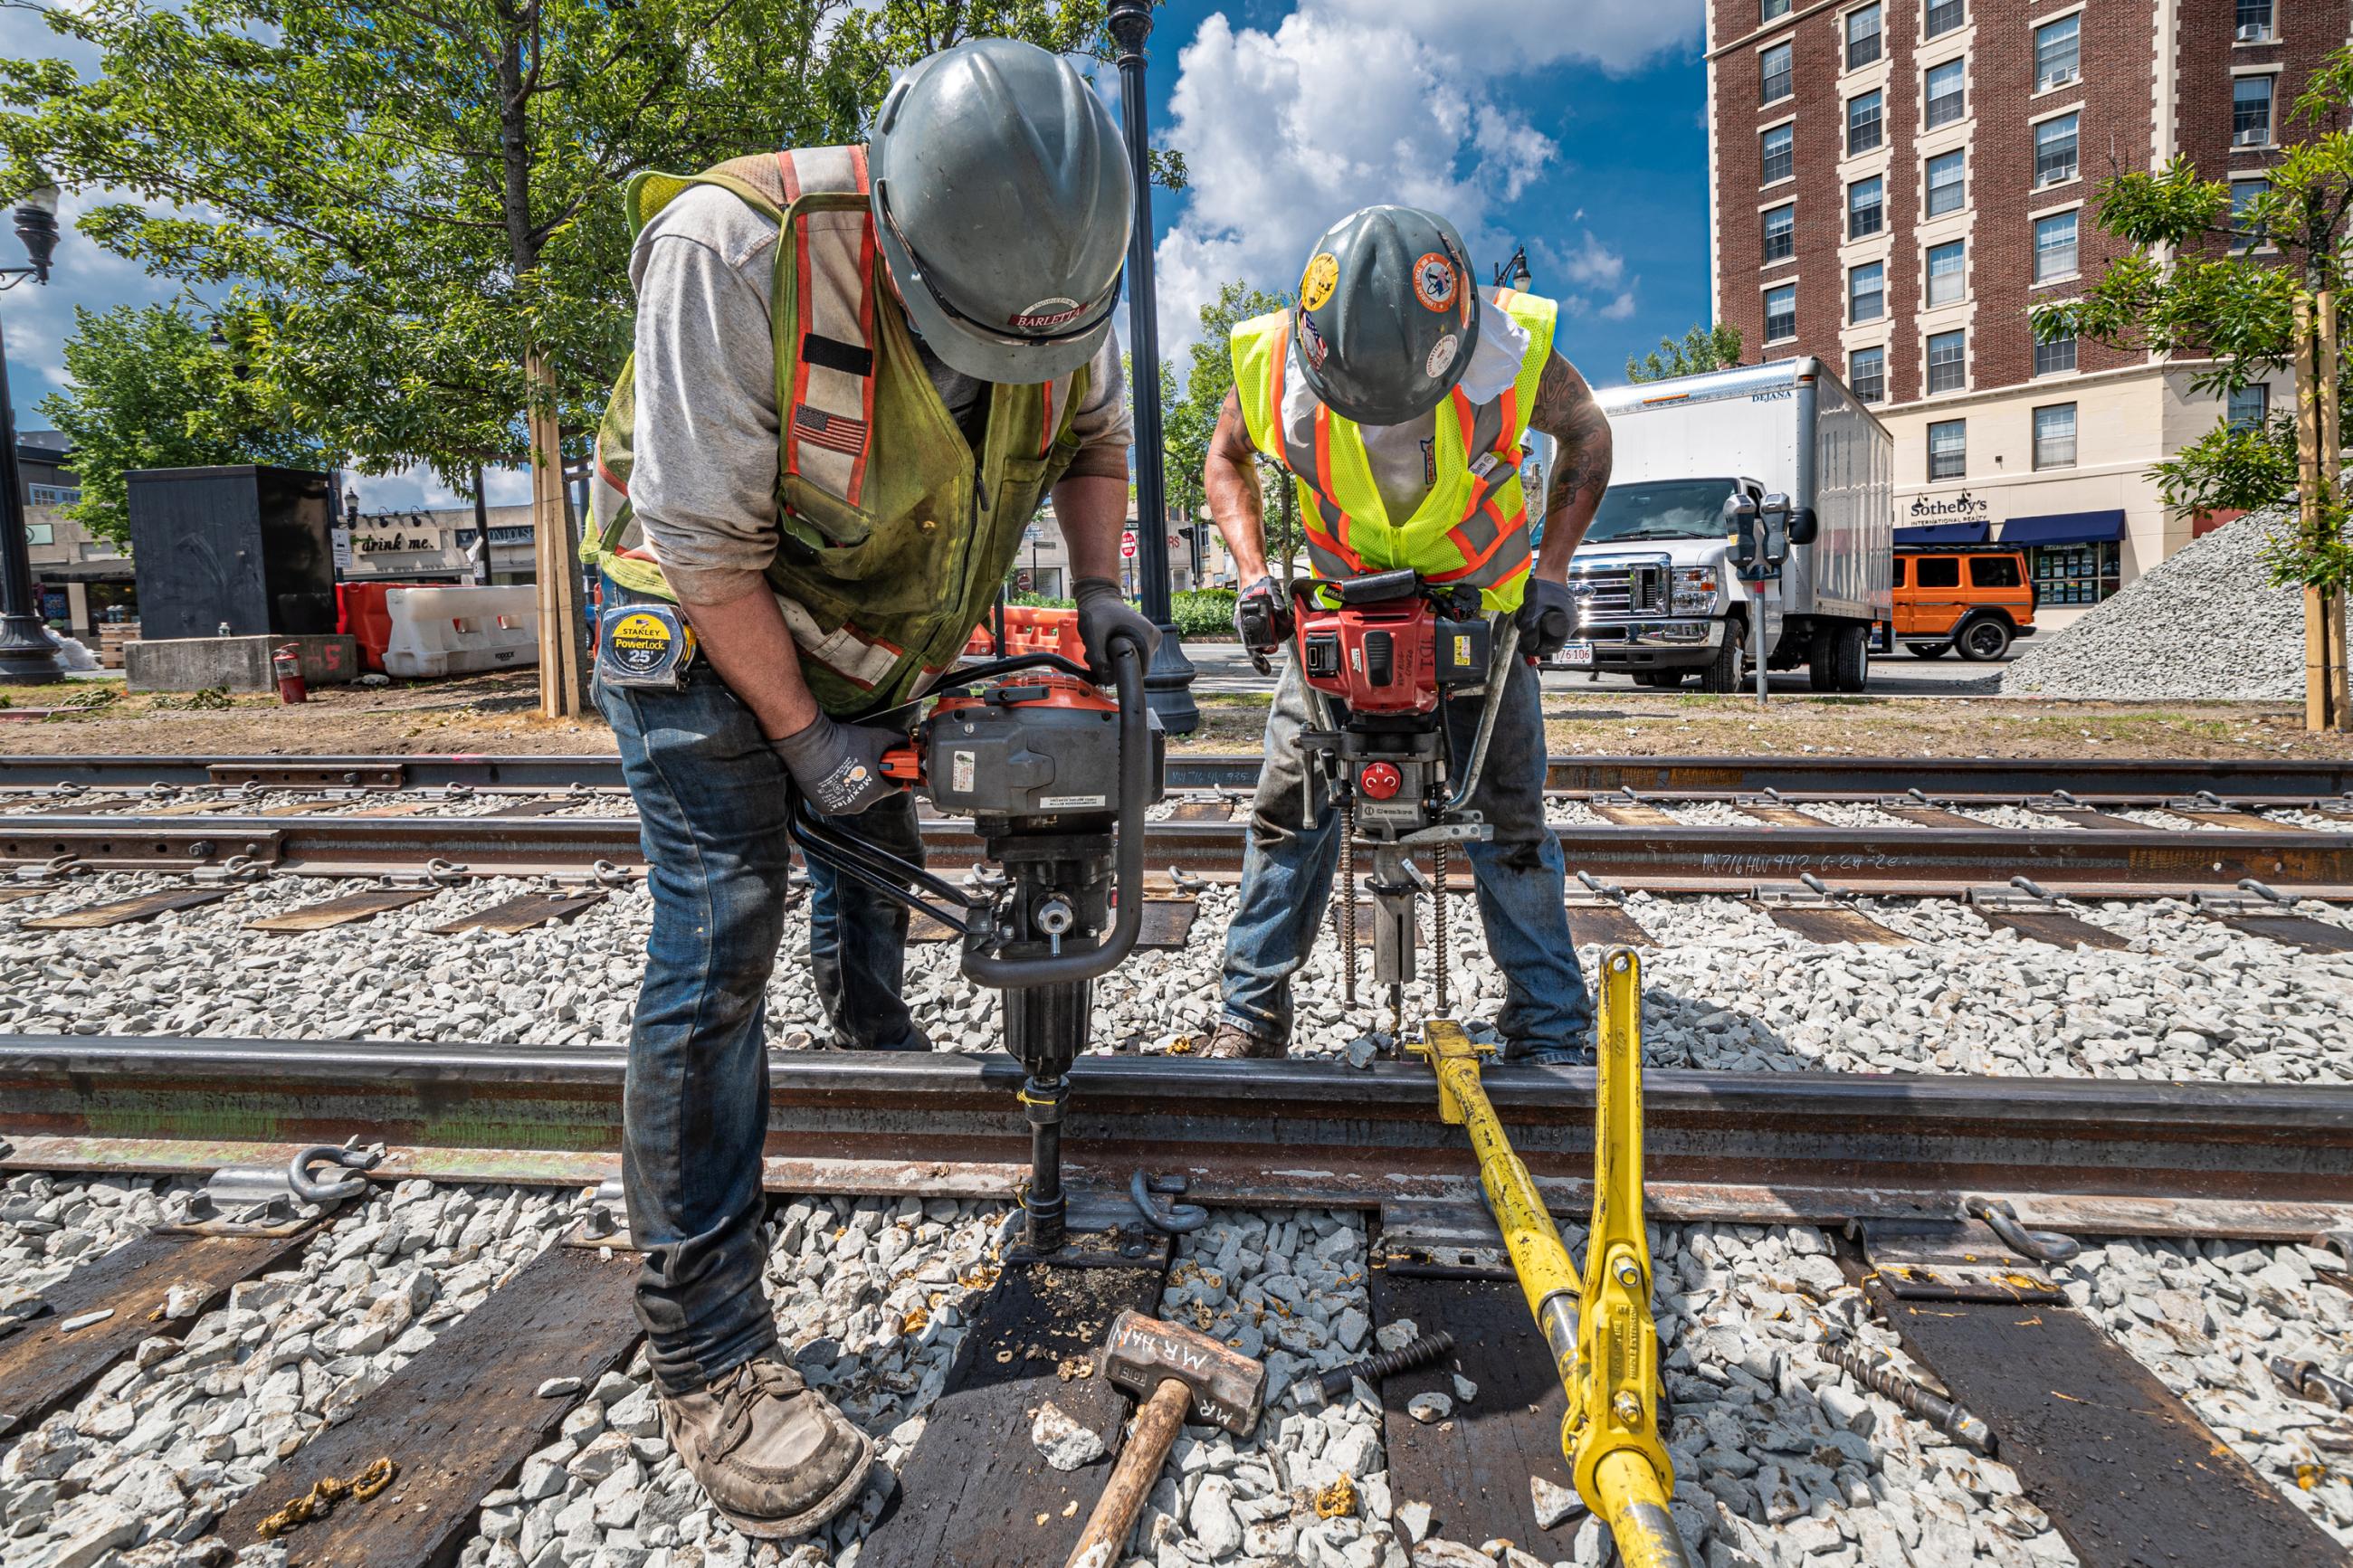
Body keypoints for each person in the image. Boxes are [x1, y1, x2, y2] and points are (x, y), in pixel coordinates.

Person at [578, 38, 1154, 1538]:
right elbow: (705, 547)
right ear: (901, 233)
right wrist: (804, 739)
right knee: (722, 928)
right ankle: (707, 1350)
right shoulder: (735, 250)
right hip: (695, 621)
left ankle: (867, 1054)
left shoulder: (1060, 274)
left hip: (869, 625)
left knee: (874, 832)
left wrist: (1099, 593)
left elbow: (1089, 434)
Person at [1200, 205, 1613, 1064]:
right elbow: (1223, 457)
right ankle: (1251, 1011)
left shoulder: (1505, 355)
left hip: (1479, 617)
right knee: (1290, 807)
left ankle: (1549, 1021)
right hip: (1336, 618)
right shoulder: (1275, 365)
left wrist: (1554, 574)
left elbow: (1587, 432)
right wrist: (1249, 573)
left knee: (1510, 817)